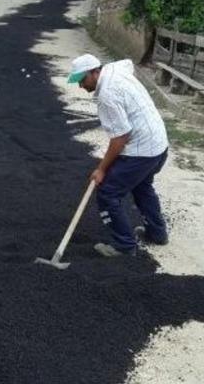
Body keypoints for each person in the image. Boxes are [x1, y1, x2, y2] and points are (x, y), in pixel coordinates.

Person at [68, 54, 170, 257]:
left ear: (94, 72)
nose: (81, 86)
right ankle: (157, 234)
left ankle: (124, 246)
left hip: (141, 151)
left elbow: (120, 138)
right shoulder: (115, 70)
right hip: (159, 144)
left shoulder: (107, 95)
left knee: (108, 193)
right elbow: (128, 63)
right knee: (142, 186)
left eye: (82, 80)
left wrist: (101, 169)